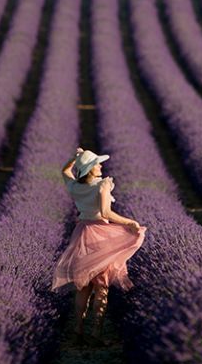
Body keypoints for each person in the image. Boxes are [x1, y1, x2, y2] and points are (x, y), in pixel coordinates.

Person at [50, 147, 147, 347]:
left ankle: (77, 332)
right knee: (101, 287)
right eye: (97, 163)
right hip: (100, 235)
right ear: (90, 170)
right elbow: (105, 211)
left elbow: (64, 171)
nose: (101, 165)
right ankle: (96, 334)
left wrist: (74, 158)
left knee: (83, 286)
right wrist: (129, 222)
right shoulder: (102, 185)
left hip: (82, 234)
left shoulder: (75, 186)